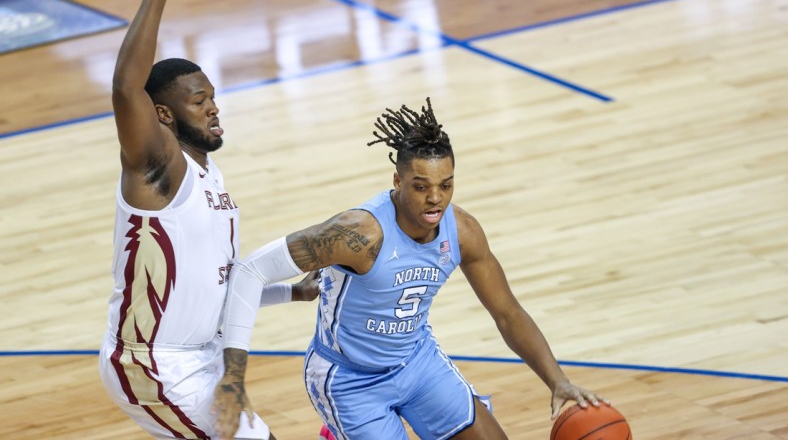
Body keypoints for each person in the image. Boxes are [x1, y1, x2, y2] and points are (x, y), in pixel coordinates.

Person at [213, 98, 608, 439]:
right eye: (420, 186)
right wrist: (234, 374)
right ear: (397, 180)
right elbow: (249, 271)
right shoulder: (357, 234)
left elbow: (507, 313)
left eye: (446, 185)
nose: (435, 199)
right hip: (349, 379)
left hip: (417, 362)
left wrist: (557, 382)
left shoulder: (463, 231)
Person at [97, 0, 318, 439]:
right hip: (156, 362)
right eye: (199, 102)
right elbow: (125, 88)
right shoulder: (159, 167)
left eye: (213, 98)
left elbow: (215, 286)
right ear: (163, 115)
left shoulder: (210, 176)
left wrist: (291, 292)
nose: (214, 108)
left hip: (201, 355)